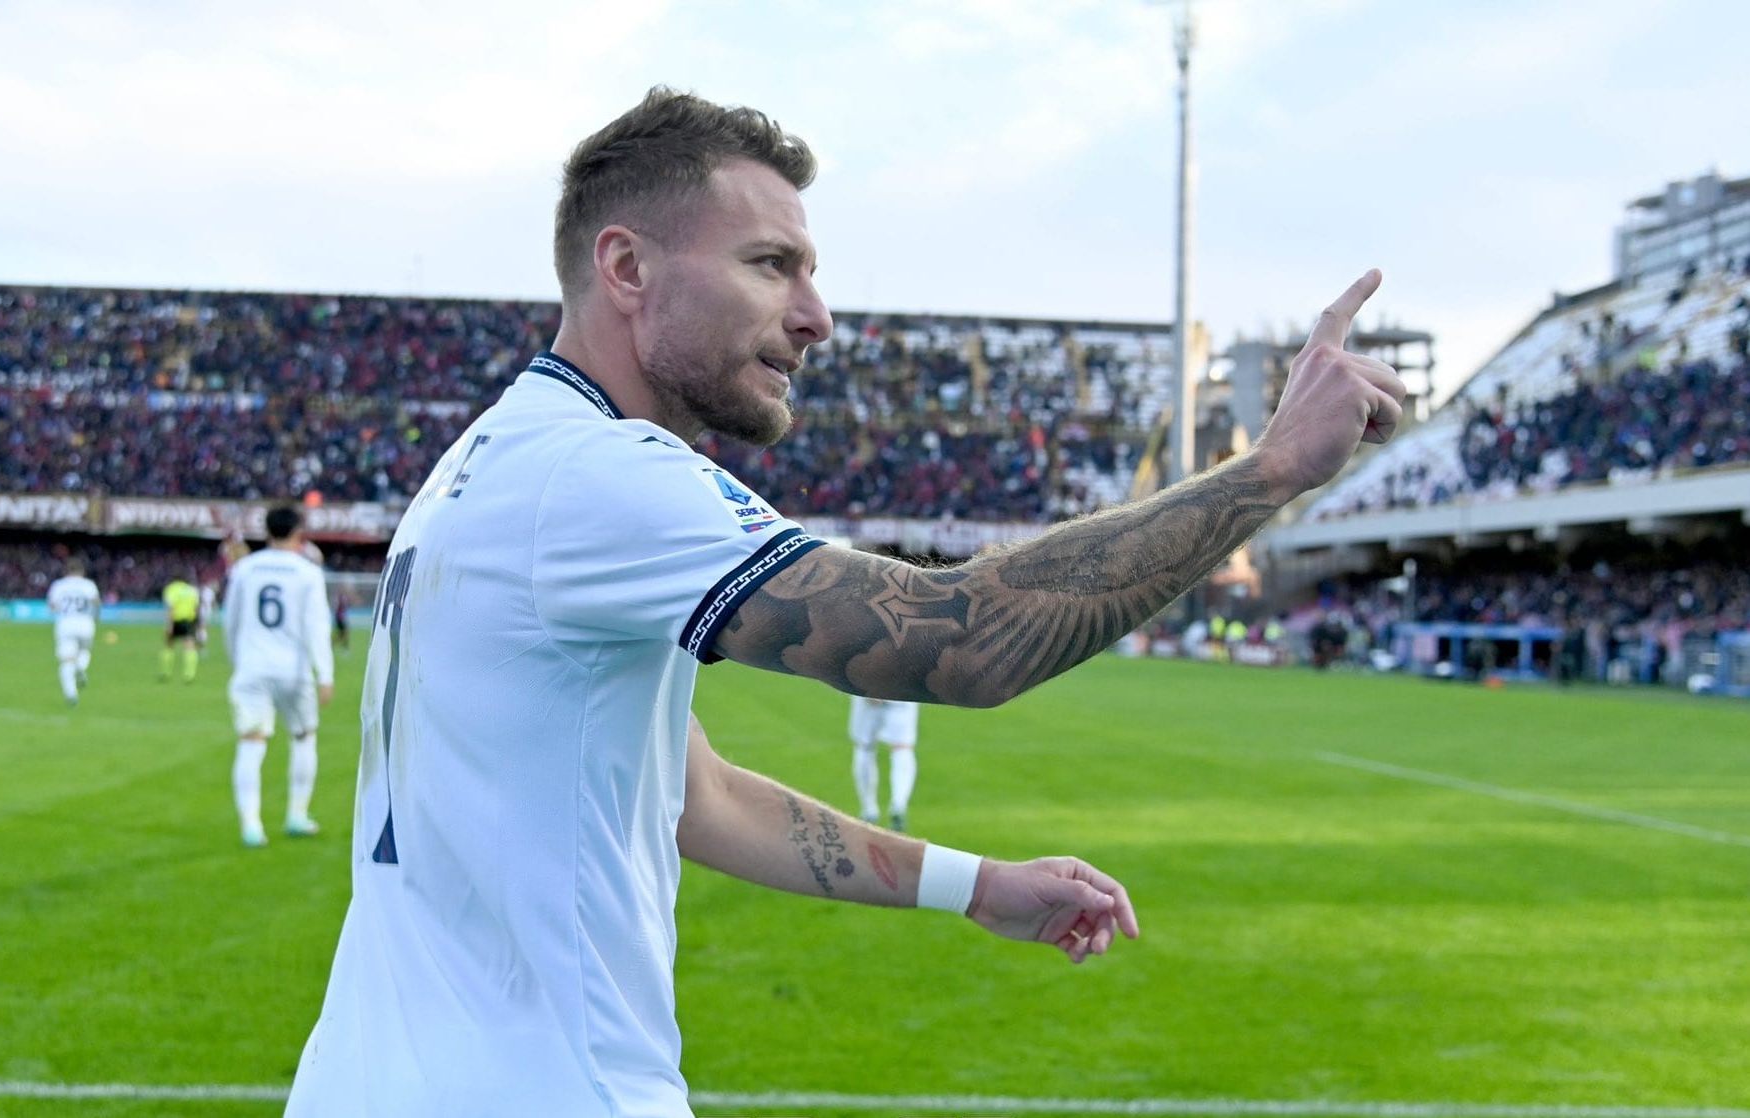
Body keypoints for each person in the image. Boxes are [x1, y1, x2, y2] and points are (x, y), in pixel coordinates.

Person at [286, 88, 1403, 1117]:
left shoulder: (489, 458)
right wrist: (1269, 470)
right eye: (771, 264)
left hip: (372, 1079)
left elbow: (695, 794)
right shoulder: (597, 474)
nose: (817, 315)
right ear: (625, 266)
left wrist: (974, 886)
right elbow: (964, 639)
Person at [221, 506, 334, 848]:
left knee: (251, 742)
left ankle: (251, 826)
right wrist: (325, 673)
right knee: (303, 737)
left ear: (267, 531)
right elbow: (317, 626)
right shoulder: (308, 572)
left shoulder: (244, 568)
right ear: (299, 533)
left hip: (252, 667)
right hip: (293, 671)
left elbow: (230, 620)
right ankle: (297, 815)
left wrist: (238, 660)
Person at [849, 695, 921, 831]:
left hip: (868, 692)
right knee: (902, 747)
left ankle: (869, 810)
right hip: (903, 693)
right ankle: (898, 804)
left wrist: (868, 688)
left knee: (865, 747)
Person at [47, 559, 101, 706]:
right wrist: (96, 618)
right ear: (82, 571)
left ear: (66, 571)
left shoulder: (58, 585)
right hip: (86, 623)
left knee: (66, 661)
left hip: (66, 624)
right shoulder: (88, 585)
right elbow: (96, 602)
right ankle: (80, 668)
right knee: (84, 651)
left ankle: (71, 694)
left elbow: (52, 606)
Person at [160, 574, 202, 682]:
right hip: (189, 621)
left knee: (169, 645)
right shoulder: (192, 590)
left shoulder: (171, 589)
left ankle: (166, 672)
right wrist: (198, 624)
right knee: (189, 646)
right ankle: (189, 674)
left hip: (176, 620)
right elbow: (196, 608)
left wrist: (169, 625)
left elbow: (171, 607)